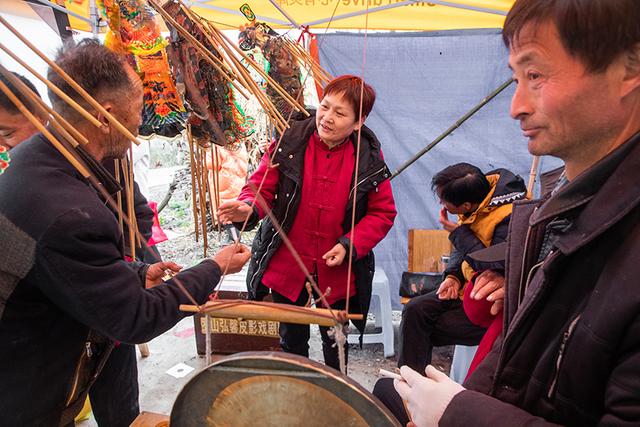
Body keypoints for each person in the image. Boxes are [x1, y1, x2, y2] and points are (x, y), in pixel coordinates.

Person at [393, 0, 640, 425]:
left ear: (628, 70)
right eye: (515, 78)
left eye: (536, 75)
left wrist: (459, 414)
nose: (516, 106)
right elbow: (514, 358)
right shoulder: (555, 210)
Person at [0, 40, 251, 426]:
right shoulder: (67, 210)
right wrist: (214, 267)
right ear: (106, 116)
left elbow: (55, 269)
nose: (139, 125)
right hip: (27, 389)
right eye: (138, 111)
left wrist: (133, 272)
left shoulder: (35, 163)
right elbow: (135, 319)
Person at [0, 70, 155, 426]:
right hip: (48, 332)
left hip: (105, 309)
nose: (6, 145)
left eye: (9, 132)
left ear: (42, 113)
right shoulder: (22, 174)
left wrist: (125, 266)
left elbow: (138, 213)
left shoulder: (101, 149)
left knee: (120, 404)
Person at [218, 75, 396, 371]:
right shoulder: (291, 141)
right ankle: (297, 391)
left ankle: (334, 393)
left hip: (337, 268)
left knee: (336, 340)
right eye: (324, 107)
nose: (326, 118)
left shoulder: (369, 158)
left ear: (358, 121)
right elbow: (263, 186)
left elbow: (383, 213)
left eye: (340, 113)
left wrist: (349, 244)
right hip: (288, 262)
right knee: (291, 338)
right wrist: (246, 206)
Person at [398, 163, 526, 373]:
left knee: (420, 329)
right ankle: (410, 382)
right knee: (414, 310)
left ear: (466, 205)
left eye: (444, 201)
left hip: (489, 304)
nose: (441, 203)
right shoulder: (480, 198)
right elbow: (462, 250)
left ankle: (417, 382)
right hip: (464, 288)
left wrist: (459, 232)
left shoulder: (511, 216)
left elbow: (494, 264)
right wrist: (453, 276)